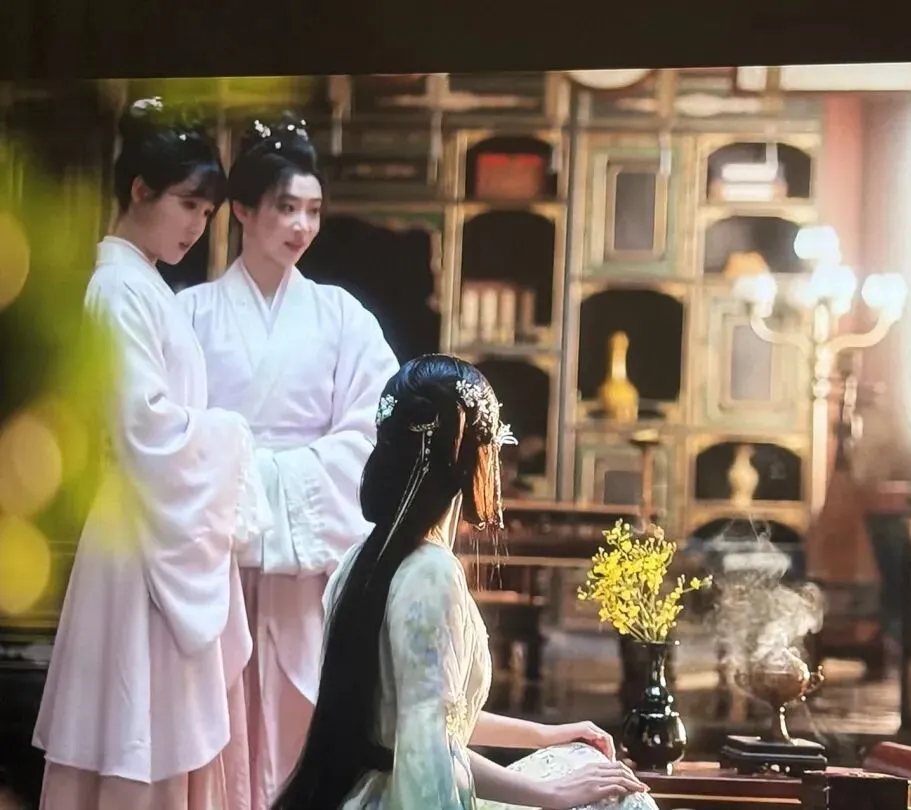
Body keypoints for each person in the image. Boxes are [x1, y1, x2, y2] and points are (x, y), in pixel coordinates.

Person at [273, 355, 657, 810]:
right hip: (411, 798)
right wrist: (551, 793)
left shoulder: (360, 561)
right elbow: (427, 747)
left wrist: (545, 734)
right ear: (475, 456)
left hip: (368, 793)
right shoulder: (432, 574)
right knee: (622, 800)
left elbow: (433, 716)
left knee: (580, 760)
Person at [32, 97, 270, 809]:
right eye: (188, 205)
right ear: (140, 190)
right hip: (141, 531)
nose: (198, 226)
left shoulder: (142, 283)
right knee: (135, 732)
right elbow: (145, 425)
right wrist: (231, 433)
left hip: (162, 525)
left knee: (153, 727)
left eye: (207, 212)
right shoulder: (118, 287)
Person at [177, 114, 399, 809]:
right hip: (216, 550)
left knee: (306, 705)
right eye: (285, 207)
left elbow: (376, 425)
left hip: (308, 562)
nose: (301, 226)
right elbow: (170, 428)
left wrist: (278, 484)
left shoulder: (342, 317)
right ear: (243, 210)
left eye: (313, 210)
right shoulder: (191, 314)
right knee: (215, 709)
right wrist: (241, 483)